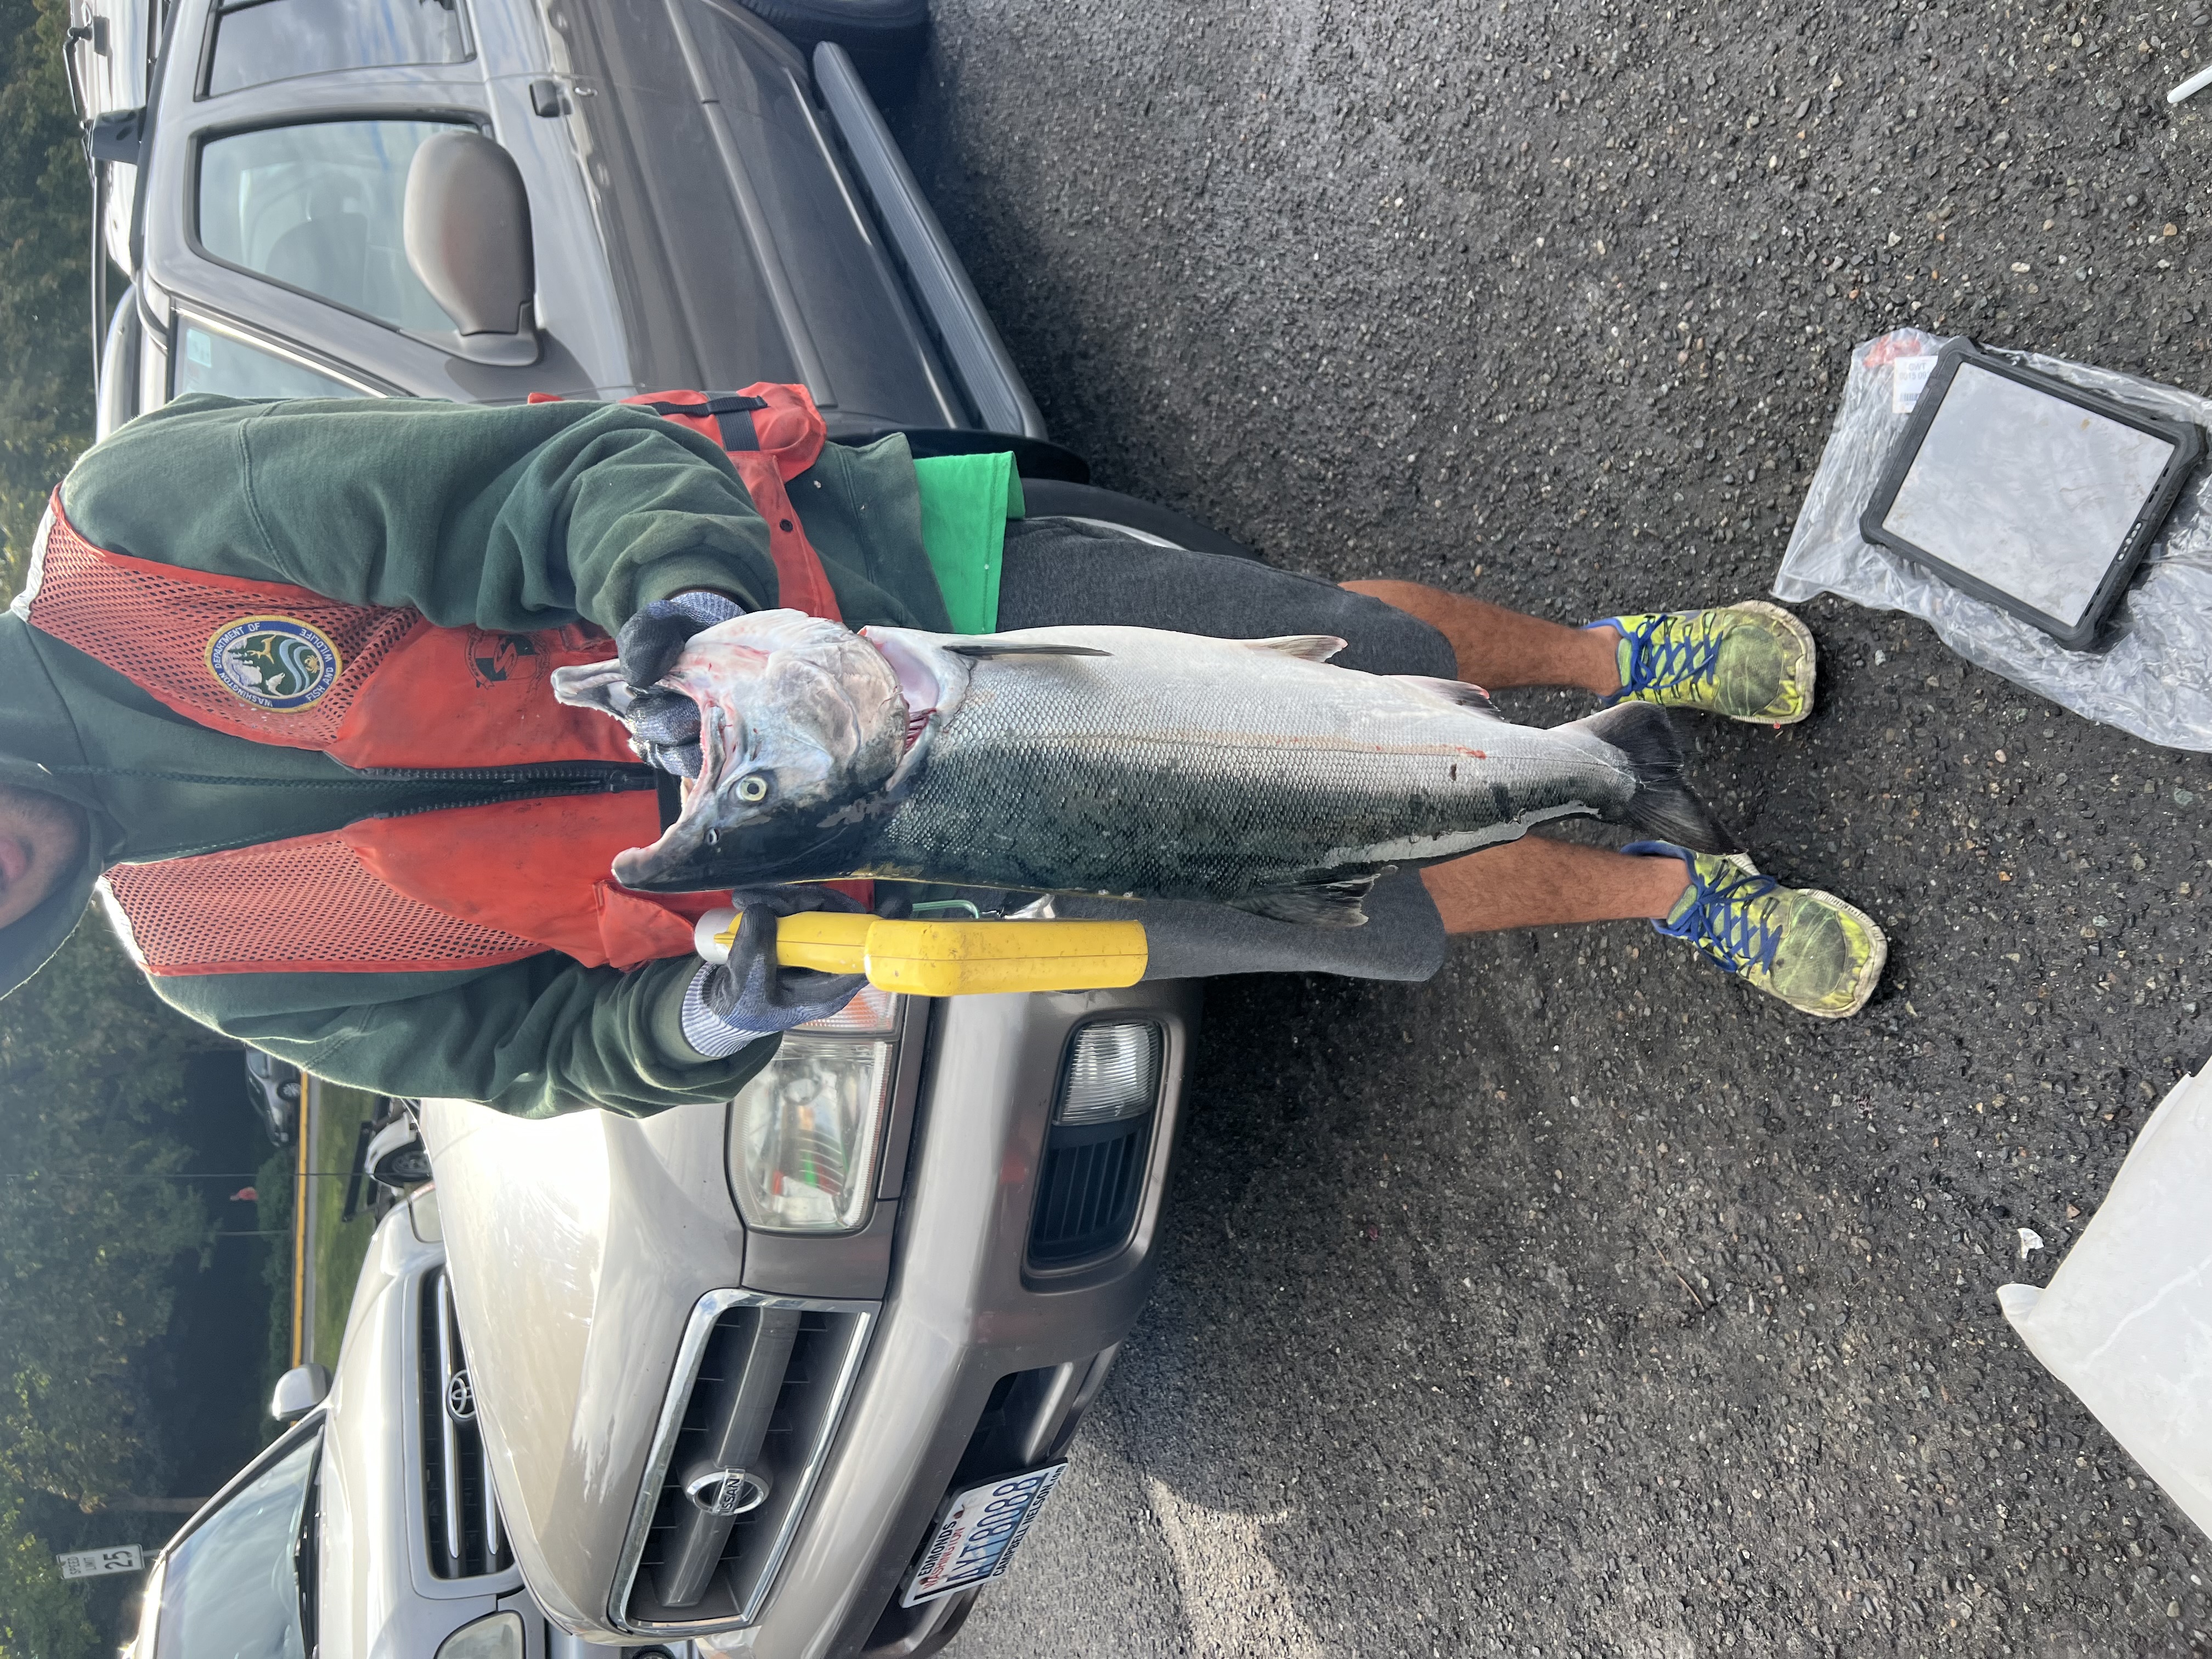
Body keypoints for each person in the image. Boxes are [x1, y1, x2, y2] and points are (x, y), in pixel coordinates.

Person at [0, 391, 1883, 1118]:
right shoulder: (217, 958)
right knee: (1332, 877)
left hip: (886, 614)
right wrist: (699, 1026)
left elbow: (558, 477)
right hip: (917, 882)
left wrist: (693, 608)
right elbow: (537, 1054)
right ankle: (1661, 882)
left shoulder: (137, 535)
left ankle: (1616, 664)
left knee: (1329, 660)